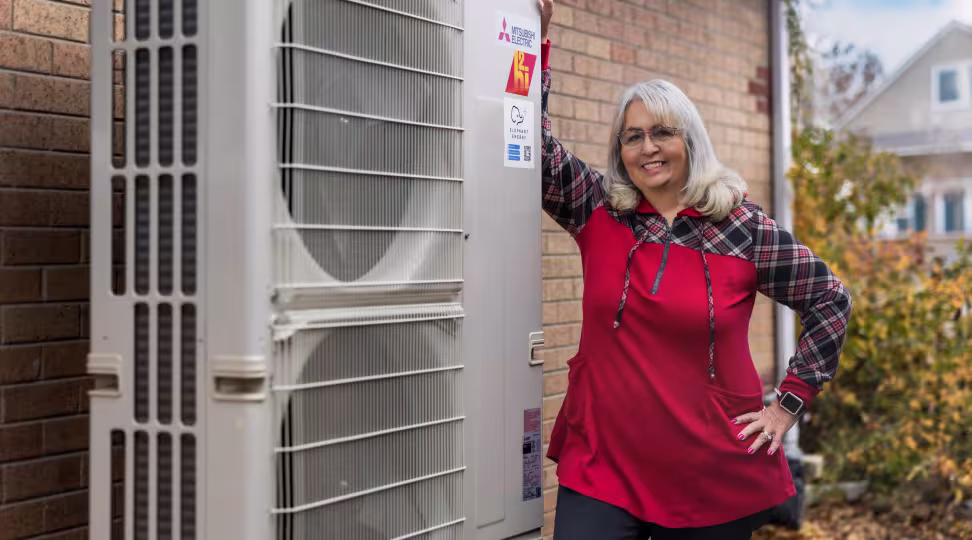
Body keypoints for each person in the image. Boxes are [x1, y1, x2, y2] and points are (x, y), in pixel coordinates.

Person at [535, 1, 852, 539]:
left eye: (663, 132)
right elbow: (533, 151)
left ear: (691, 141)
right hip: (602, 462)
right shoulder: (598, 208)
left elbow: (829, 300)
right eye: (632, 136)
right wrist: (533, 47)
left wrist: (788, 403)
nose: (647, 148)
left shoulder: (741, 228)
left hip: (707, 472)